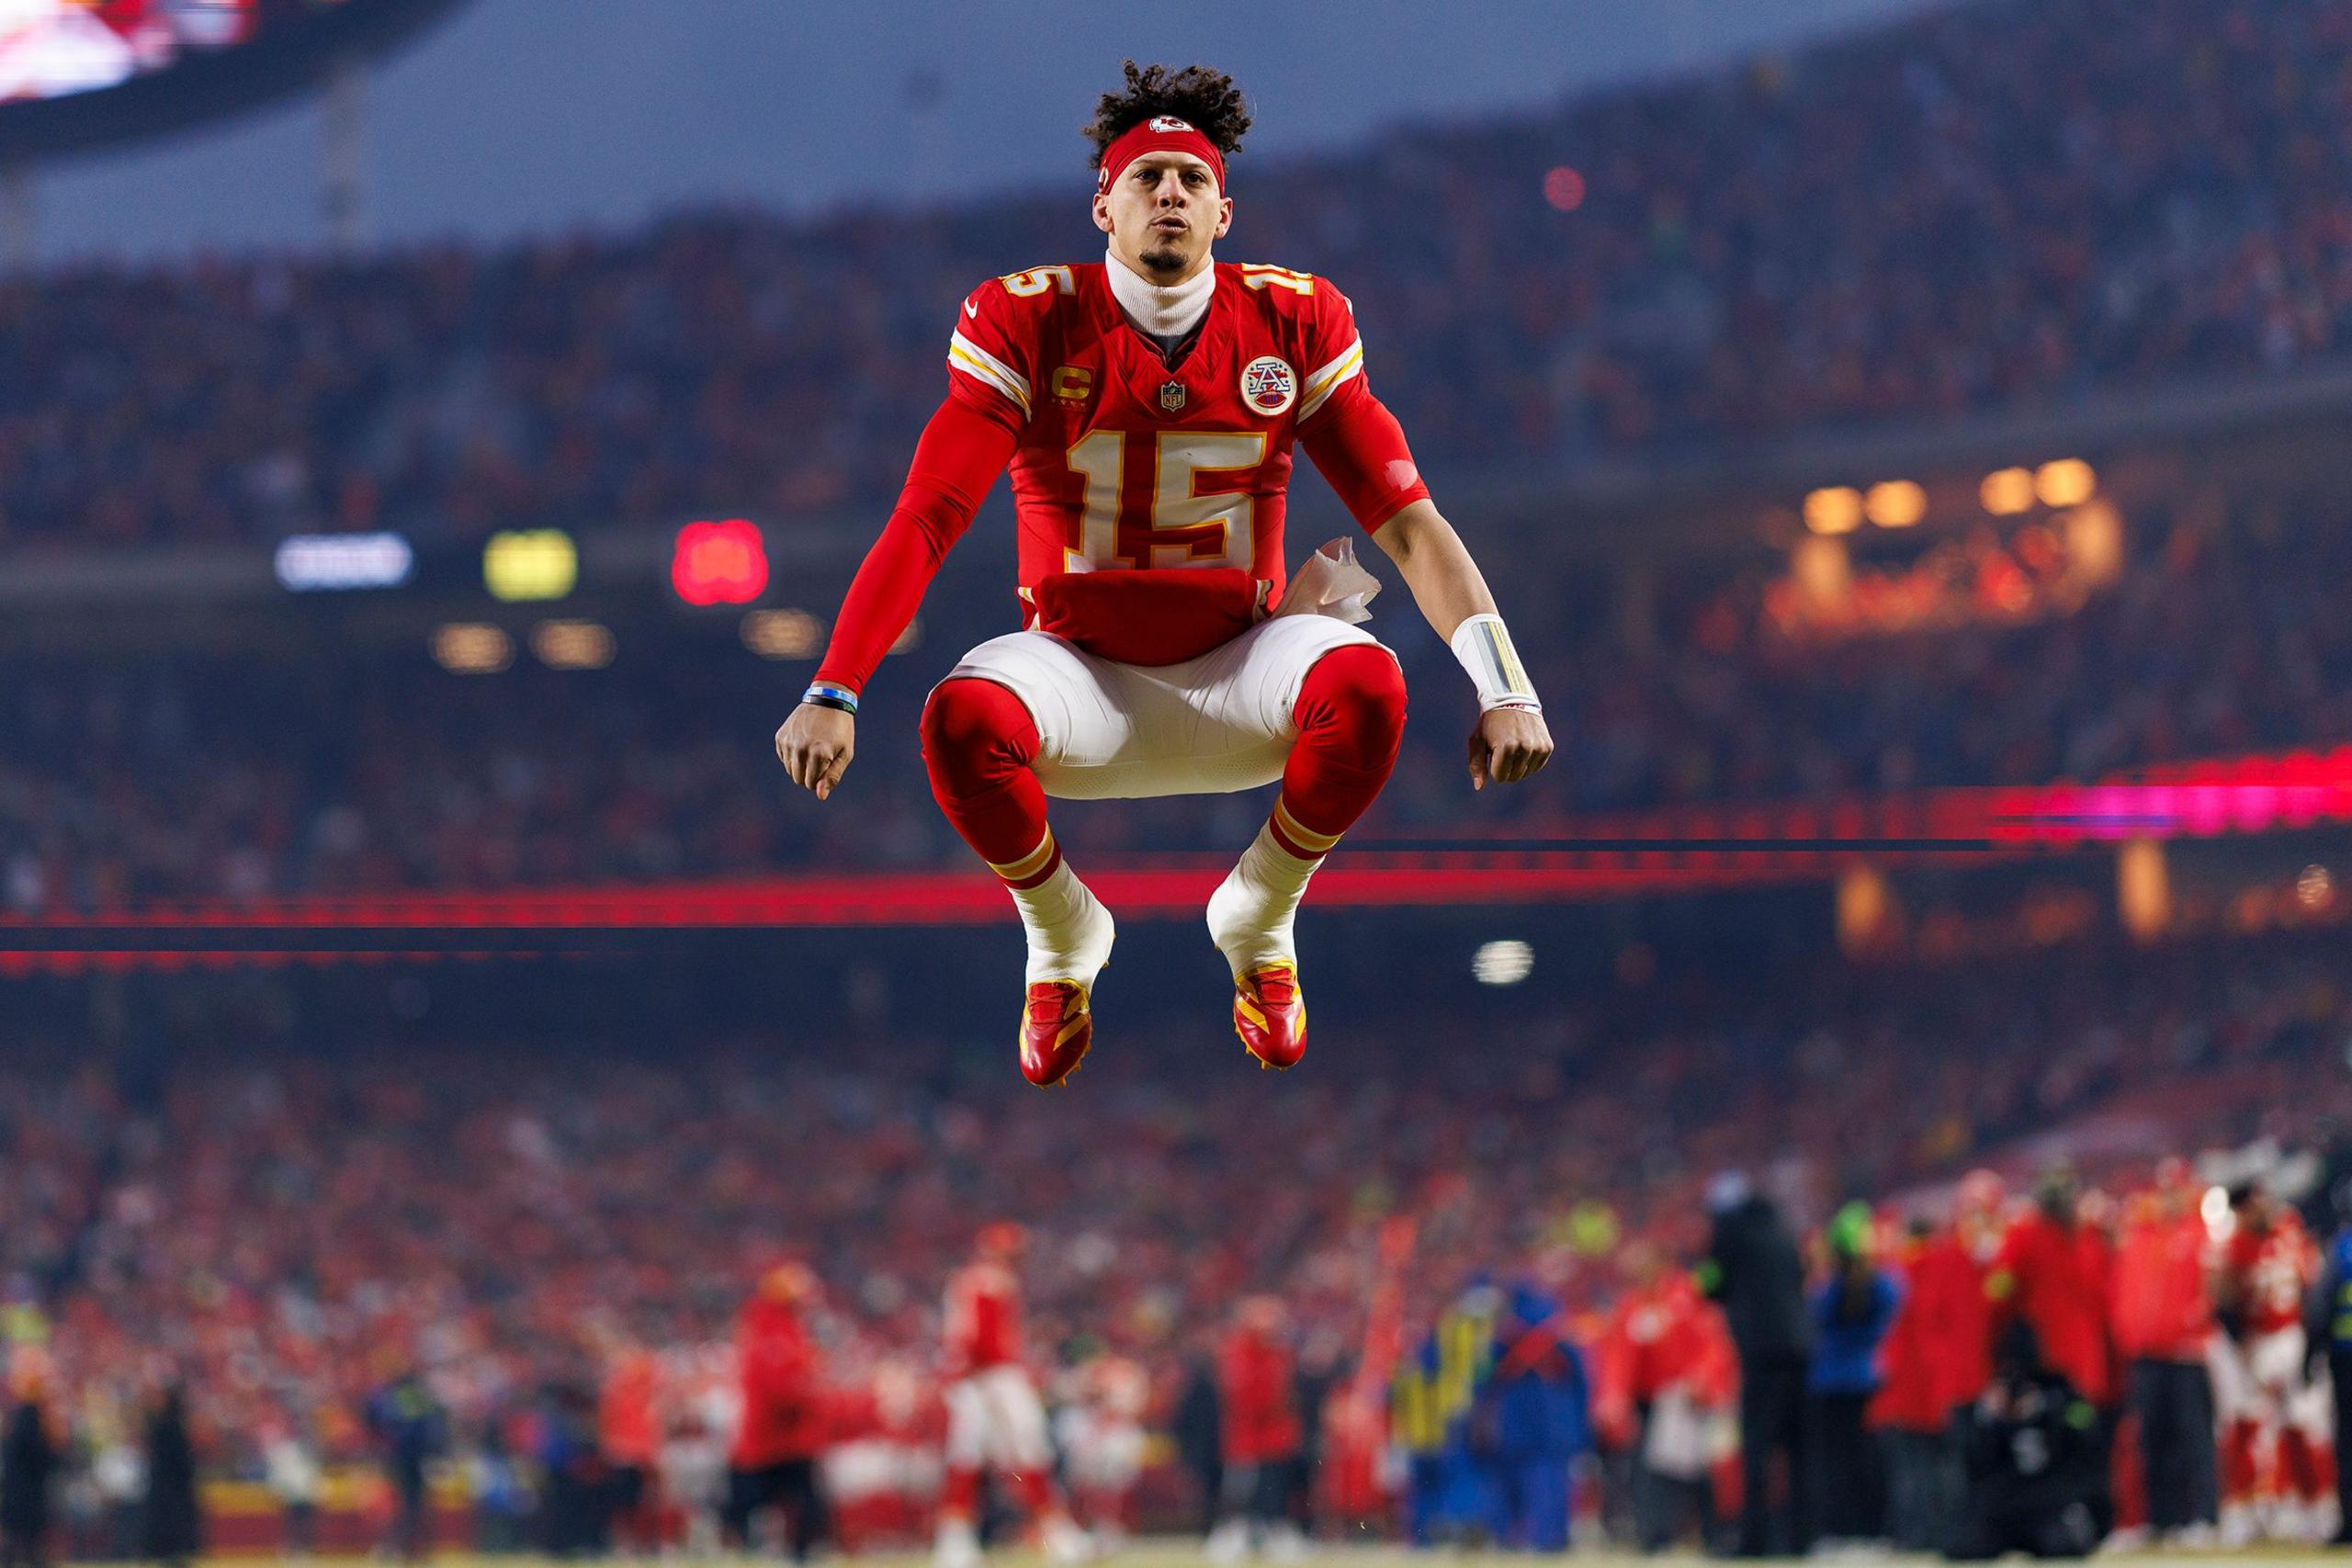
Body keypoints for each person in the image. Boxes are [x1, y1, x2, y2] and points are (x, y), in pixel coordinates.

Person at [775, 60, 1554, 1086]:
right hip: (1079, 678)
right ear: (1103, 204)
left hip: (1243, 669)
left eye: (1192, 178)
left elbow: (1408, 526)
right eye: (1148, 178)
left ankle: (1260, 917)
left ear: (1225, 212)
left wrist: (1506, 686)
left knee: (1368, 683)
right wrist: (834, 686)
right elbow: (929, 517)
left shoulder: (1294, 320)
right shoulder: (1027, 319)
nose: (1171, 194)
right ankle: (1061, 937)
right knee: (958, 722)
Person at [933, 1224, 1088, 1568]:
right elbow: (972, 1337)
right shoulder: (984, 1281)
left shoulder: (980, 1280)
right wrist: (981, 1378)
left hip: (981, 1377)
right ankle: (960, 1542)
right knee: (1000, 1454)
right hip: (987, 1378)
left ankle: (959, 1542)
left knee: (977, 1458)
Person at [1984, 1165, 2118, 1540]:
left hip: (2074, 1371)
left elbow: (1998, 1297)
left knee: (2079, 1444)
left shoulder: (2081, 1240)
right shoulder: (2030, 1237)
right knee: (2061, 1445)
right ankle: (2061, 1518)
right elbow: (1999, 1296)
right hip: (2050, 1371)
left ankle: (2087, 1517)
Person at [1698, 1173, 1814, 1556]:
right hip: (1799, 1348)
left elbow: (1711, 1282)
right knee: (1798, 1448)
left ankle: (1754, 1539)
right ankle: (1801, 1539)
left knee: (1756, 1446)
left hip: (1761, 1352)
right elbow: (1801, 1275)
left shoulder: (1730, 1230)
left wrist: (1708, 1278)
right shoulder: (1783, 1229)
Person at [2215, 1180, 2332, 1542]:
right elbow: (2221, 1300)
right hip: (2253, 1341)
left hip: (2290, 1336)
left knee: (2301, 1424)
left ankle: (2314, 1505)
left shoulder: (2289, 1233)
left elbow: (2311, 1285)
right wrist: (2239, 1344)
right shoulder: (2233, 1245)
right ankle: (2244, 1510)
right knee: (2246, 1426)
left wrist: (2311, 1342)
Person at [2111, 1160, 2219, 1547]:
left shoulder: (2197, 1233)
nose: (2169, 1197)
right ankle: (2161, 1518)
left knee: (2194, 1438)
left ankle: (2203, 1516)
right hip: (2146, 1354)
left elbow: (2213, 1287)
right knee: (2151, 1440)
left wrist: (2199, 1327)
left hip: (2186, 1353)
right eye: (2165, 1190)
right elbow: (2125, 1292)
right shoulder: (2140, 1237)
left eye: (2177, 1189)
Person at [1806, 1202, 1899, 1547]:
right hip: (1866, 1379)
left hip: (1830, 1382)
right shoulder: (1884, 1285)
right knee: (1869, 1458)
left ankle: (1839, 1530)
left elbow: (1814, 1315)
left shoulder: (1830, 1287)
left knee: (1836, 1462)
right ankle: (1874, 1530)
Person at [726, 1263, 831, 1562]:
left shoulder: (780, 1329)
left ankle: (788, 1550)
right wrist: (813, 1397)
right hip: (774, 1436)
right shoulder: (773, 1332)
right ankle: (779, 1550)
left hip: (780, 1436)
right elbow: (783, 1388)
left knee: (785, 1501)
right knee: (775, 1501)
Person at [1476, 1281, 1589, 1552]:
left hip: (1513, 1418)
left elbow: (1484, 1378)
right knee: (1550, 1481)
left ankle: (1506, 1536)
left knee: (1508, 1482)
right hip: (1553, 1417)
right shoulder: (1560, 1332)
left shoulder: (1505, 1333)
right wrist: (1579, 1422)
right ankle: (1550, 1537)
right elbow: (1580, 1380)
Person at [1207, 1295, 1305, 1562]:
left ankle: (1270, 1536)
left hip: (1272, 1437)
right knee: (1241, 1493)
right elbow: (1247, 1398)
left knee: (1273, 1491)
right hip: (1248, 1436)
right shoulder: (1239, 1352)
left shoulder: (1277, 1353)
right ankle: (1231, 1537)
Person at [366, 1365, 446, 1562]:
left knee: (401, 1505)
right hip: (416, 1458)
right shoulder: (418, 1396)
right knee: (415, 1506)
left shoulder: (388, 1396)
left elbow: (376, 1418)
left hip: (398, 1457)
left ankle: (394, 1549)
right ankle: (414, 1551)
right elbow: (432, 1425)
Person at [1, 1357, 57, 1568]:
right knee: (27, 1541)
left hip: (17, 1491)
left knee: (18, 1542)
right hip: (27, 1494)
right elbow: (38, 1455)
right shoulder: (30, 1417)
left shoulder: (17, 1417)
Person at [140, 1384, 200, 1568]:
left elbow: (179, 1462)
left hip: (171, 1492)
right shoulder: (168, 1427)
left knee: (172, 1530)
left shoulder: (169, 1427)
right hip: (169, 1491)